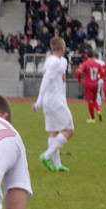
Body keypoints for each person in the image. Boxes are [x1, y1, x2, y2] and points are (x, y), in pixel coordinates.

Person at [32, 36, 73, 173]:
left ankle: (57, 165)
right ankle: (47, 155)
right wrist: (38, 101)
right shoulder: (55, 62)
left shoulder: (55, 61)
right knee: (69, 129)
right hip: (56, 100)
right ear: (62, 48)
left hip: (49, 101)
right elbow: (46, 80)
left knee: (54, 131)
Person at [75, 48, 102, 123]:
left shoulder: (85, 64)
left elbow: (79, 72)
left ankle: (92, 118)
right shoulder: (98, 64)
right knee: (94, 100)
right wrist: (98, 77)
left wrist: (79, 79)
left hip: (88, 84)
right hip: (96, 84)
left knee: (90, 101)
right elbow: (103, 72)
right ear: (93, 55)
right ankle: (99, 110)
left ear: (87, 56)